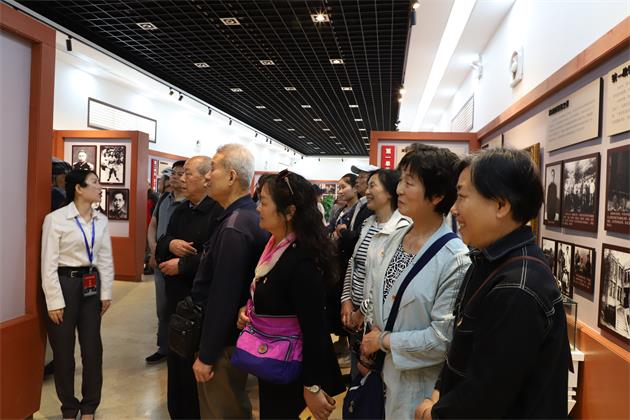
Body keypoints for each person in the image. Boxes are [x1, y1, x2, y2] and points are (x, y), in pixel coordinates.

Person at [417, 148, 570, 418]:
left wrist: (433, 414)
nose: (454, 208)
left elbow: (486, 396)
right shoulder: (487, 261)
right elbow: (462, 350)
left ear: (501, 205)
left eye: (462, 196)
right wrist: (440, 391)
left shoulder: (518, 287)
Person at [360, 146, 470, 419]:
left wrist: (383, 341)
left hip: (417, 391)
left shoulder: (454, 258)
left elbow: (441, 341)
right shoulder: (397, 237)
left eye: (409, 183)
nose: (399, 189)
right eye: (401, 180)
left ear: (437, 195)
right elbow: (381, 295)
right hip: (383, 376)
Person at [236, 170, 344, 419]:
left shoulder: (302, 261)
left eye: (264, 202)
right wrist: (249, 311)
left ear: (289, 211)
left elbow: (315, 330)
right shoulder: (273, 246)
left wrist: (312, 386)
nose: (258, 208)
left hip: (295, 370)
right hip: (273, 361)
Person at [191, 144, 269, 419]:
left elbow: (223, 297)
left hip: (224, 345)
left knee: (222, 411)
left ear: (232, 176)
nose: (207, 175)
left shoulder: (235, 226)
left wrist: (207, 355)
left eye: (213, 168)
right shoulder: (245, 217)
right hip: (233, 338)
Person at [41, 169, 114, 420]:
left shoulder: (101, 220)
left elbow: (105, 259)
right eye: (94, 182)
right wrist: (53, 301)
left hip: (91, 286)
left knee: (93, 349)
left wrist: (106, 293)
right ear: (79, 189)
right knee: (63, 352)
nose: (100, 187)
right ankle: (69, 408)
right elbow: (48, 263)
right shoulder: (56, 219)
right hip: (64, 284)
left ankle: (90, 405)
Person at [155, 156, 222, 419]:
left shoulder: (218, 213)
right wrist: (170, 244)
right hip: (177, 306)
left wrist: (183, 265)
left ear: (207, 179)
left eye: (188, 174)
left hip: (200, 307)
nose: (182, 179)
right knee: (177, 367)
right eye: (180, 175)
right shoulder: (180, 210)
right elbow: (162, 244)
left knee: (197, 376)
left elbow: (216, 258)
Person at [340, 169, 409, 377]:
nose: (367, 191)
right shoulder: (367, 223)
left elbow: (387, 280)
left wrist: (361, 312)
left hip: (374, 320)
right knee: (358, 375)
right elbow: (354, 262)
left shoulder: (401, 228)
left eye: (372, 186)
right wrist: (346, 299)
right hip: (356, 316)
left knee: (370, 379)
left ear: (389, 193)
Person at [145, 161, 186, 364]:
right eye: (174, 174)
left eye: (181, 173)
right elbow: (152, 226)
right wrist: (154, 250)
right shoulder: (163, 199)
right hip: (160, 263)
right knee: (162, 307)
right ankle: (164, 347)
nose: (175, 177)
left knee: (179, 307)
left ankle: (179, 348)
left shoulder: (190, 203)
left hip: (180, 265)